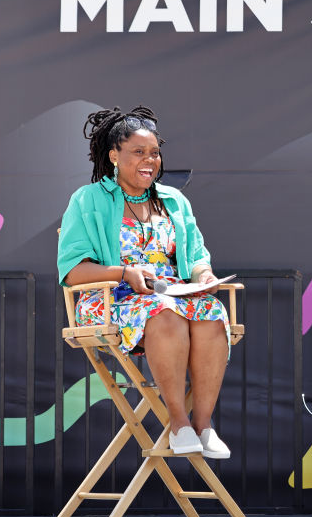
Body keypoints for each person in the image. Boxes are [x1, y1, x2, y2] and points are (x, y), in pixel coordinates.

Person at [57, 106, 231, 459]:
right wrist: (124, 273)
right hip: (110, 297)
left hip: (172, 294)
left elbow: (197, 256)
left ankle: (204, 424)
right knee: (164, 312)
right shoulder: (88, 200)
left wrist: (203, 276)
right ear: (114, 156)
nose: (149, 160)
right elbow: (73, 270)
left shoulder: (175, 201)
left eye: (154, 152)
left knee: (212, 312)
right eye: (138, 152)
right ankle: (179, 423)